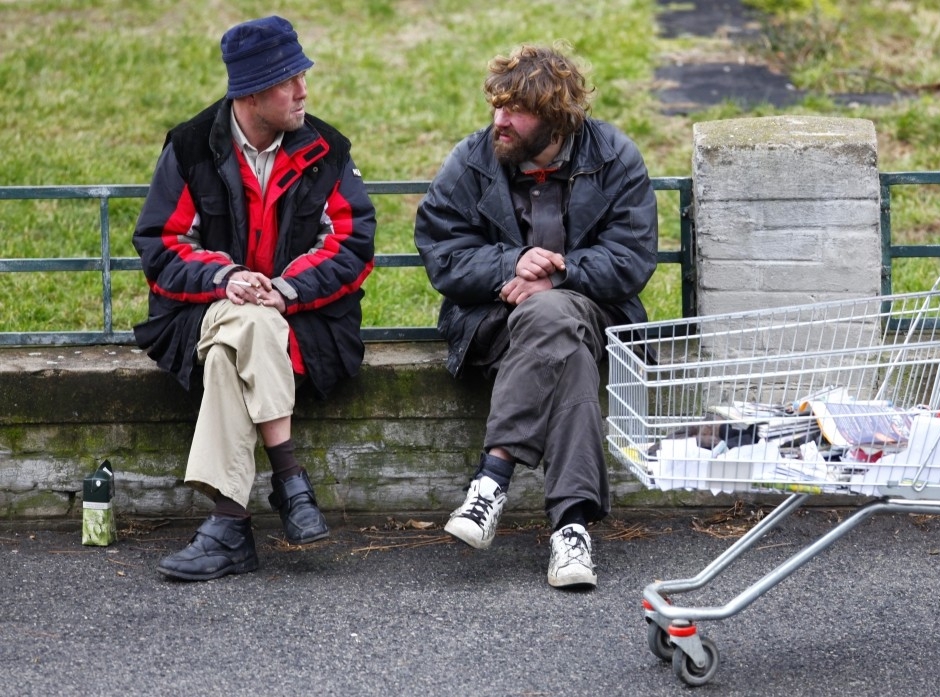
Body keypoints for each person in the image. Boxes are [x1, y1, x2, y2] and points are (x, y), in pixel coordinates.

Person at [132, 16, 376, 581]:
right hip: (201, 312)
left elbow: (352, 243)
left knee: (233, 349)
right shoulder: (191, 147)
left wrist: (283, 290)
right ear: (252, 91)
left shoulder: (326, 149)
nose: (303, 91)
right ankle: (289, 480)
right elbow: (162, 244)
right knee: (244, 321)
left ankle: (229, 525)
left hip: (309, 324)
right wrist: (227, 280)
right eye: (290, 79)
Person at [414, 44, 658, 589]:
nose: (498, 120)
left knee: (555, 315)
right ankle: (571, 530)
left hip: (594, 314)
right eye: (496, 106)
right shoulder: (473, 160)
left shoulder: (614, 157)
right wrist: (510, 262)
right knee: (563, 350)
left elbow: (632, 258)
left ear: (554, 117)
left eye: (514, 111)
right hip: (493, 323)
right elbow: (442, 252)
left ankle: (492, 480)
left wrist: (560, 273)